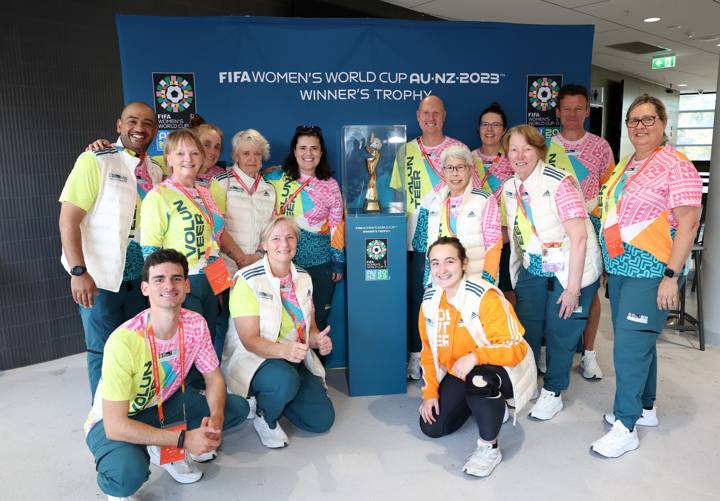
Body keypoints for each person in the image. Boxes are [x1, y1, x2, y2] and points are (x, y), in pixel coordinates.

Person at [84, 249, 249, 500]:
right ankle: (151, 451)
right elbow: (115, 425)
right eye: (159, 279)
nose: (169, 285)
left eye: (176, 278)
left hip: (163, 404)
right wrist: (184, 439)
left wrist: (214, 419)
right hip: (114, 419)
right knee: (126, 475)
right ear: (145, 289)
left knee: (234, 410)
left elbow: (213, 377)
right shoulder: (124, 341)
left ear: (187, 285)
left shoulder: (195, 323)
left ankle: (164, 449)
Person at [590, 95, 702, 458]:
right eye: (633, 120)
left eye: (648, 119)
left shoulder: (676, 164)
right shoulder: (627, 164)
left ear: (663, 122)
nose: (640, 126)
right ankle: (646, 407)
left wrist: (671, 275)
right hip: (622, 269)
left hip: (653, 270)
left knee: (628, 349)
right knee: (638, 343)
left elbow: (688, 223)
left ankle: (626, 425)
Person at [59, 102, 164, 399]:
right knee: (103, 351)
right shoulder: (96, 159)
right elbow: (69, 219)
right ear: (119, 125)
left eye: (147, 123)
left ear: (155, 131)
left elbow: (195, 159)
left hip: (141, 279)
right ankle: (104, 422)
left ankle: (133, 412)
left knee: (137, 348)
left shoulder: (155, 170)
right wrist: (78, 271)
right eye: (132, 121)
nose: (139, 128)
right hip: (100, 279)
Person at [501, 124, 602, 421]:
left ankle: (554, 391)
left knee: (561, 329)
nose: (519, 156)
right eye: (513, 149)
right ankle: (530, 381)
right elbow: (514, 231)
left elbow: (580, 237)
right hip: (535, 265)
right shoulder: (510, 187)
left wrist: (572, 290)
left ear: (539, 151)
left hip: (571, 268)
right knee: (529, 325)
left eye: (526, 149)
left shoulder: (560, 183)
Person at [418, 237, 536, 477]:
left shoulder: (485, 296)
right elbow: (428, 351)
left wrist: (476, 356)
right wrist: (430, 392)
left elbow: (516, 347)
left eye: (449, 261)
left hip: (500, 367)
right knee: (432, 426)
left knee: (480, 380)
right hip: (460, 371)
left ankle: (489, 448)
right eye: (435, 263)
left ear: (464, 263)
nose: (442, 270)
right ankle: (486, 405)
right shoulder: (429, 301)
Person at [223, 216, 335, 448]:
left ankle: (277, 395)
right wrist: (284, 350)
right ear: (264, 244)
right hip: (257, 358)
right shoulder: (247, 279)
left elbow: (309, 326)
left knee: (321, 420)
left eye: (289, 237)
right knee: (284, 380)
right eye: (275, 238)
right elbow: (249, 340)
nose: (283, 244)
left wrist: (318, 340)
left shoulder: (303, 277)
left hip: (292, 357)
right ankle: (266, 416)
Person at [389, 95, 470, 380]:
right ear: (418, 116)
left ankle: (447, 357)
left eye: (436, 112)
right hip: (417, 242)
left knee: (450, 301)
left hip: (451, 240)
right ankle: (416, 354)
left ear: (444, 115)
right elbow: (398, 197)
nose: (431, 118)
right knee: (418, 301)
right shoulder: (405, 151)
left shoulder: (459, 149)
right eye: (426, 113)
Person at [546, 84, 616, 380]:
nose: (572, 114)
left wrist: (589, 208)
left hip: (589, 228)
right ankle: (549, 351)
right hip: (552, 231)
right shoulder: (545, 146)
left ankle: (588, 353)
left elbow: (610, 191)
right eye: (567, 108)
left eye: (579, 108)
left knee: (589, 291)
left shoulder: (600, 147)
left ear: (588, 111)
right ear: (558, 111)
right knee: (555, 286)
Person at [140, 129, 226, 360]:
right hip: (181, 282)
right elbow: (150, 252)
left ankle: (207, 388)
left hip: (209, 277)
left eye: (194, 153)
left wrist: (218, 285)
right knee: (187, 344)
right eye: (180, 153)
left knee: (208, 338)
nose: (188, 159)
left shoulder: (206, 194)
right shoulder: (158, 196)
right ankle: (188, 391)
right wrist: (162, 291)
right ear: (168, 158)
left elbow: (213, 240)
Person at [264, 125, 345, 333]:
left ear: (321, 152)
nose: (308, 153)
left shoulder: (330, 185)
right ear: (294, 151)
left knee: (318, 316)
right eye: (303, 148)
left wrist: (337, 261)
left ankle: (318, 363)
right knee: (283, 317)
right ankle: (288, 364)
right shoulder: (276, 179)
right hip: (281, 260)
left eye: (314, 148)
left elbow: (337, 224)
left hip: (319, 262)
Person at [210, 129, 275, 363]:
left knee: (253, 326)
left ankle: (247, 378)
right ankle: (221, 384)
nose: (252, 159)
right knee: (222, 326)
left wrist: (257, 255)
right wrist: (239, 257)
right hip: (224, 268)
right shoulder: (220, 183)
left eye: (257, 154)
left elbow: (272, 231)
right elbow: (215, 227)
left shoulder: (269, 188)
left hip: (257, 269)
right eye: (246, 153)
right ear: (235, 156)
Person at [412, 145, 502, 287]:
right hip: (440, 281)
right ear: (443, 172)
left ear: (470, 170)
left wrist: (487, 280)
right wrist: (428, 281)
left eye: (460, 167)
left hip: (475, 280)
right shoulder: (435, 201)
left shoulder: (484, 200)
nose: (455, 173)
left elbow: (494, 244)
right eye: (450, 168)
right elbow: (426, 244)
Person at [472, 102, 516, 304]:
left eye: (496, 125)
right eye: (485, 124)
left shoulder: (514, 159)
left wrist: (509, 232)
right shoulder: (467, 158)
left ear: (504, 130)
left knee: (508, 293)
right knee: (478, 292)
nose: (489, 129)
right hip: (475, 238)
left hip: (507, 239)